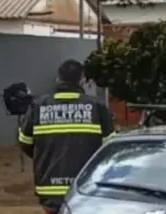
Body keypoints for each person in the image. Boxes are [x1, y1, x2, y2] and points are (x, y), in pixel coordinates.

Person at [18, 59, 115, 214]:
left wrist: (43, 155)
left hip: (50, 187)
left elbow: (25, 142)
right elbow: (109, 149)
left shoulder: (38, 106)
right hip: (86, 186)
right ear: (83, 81)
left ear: (58, 78)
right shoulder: (97, 107)